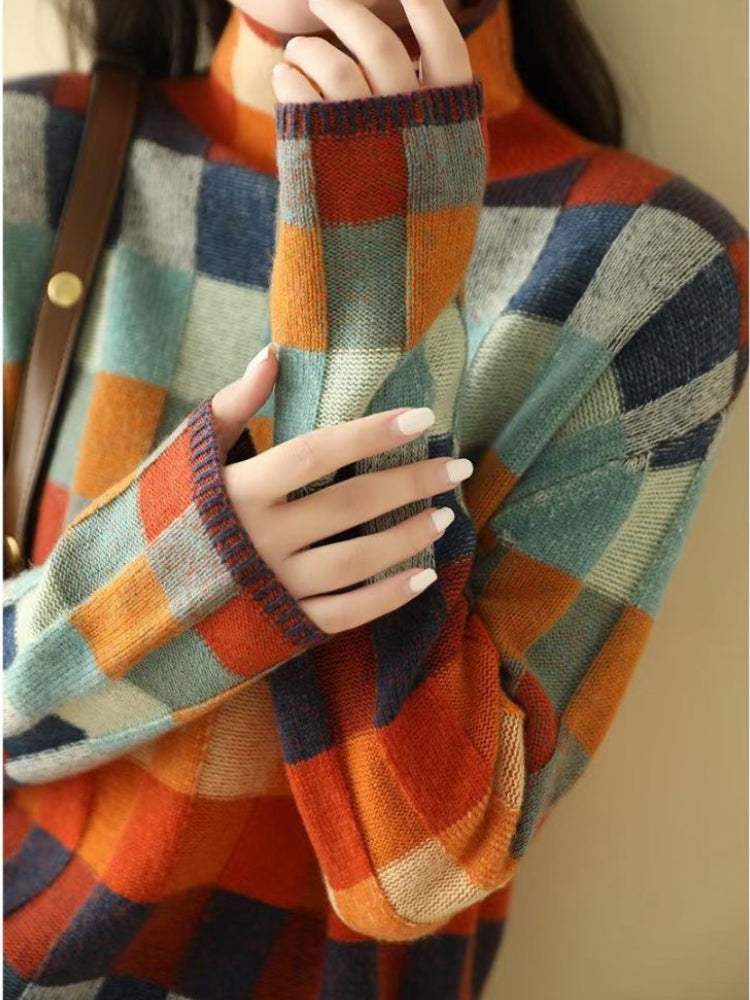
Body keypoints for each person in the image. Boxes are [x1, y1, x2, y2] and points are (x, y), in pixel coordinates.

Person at [3, 0, 746, 996]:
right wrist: (194, 568)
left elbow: (418, 873)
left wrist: (370, 284)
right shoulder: (30, 152)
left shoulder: (648, 264)